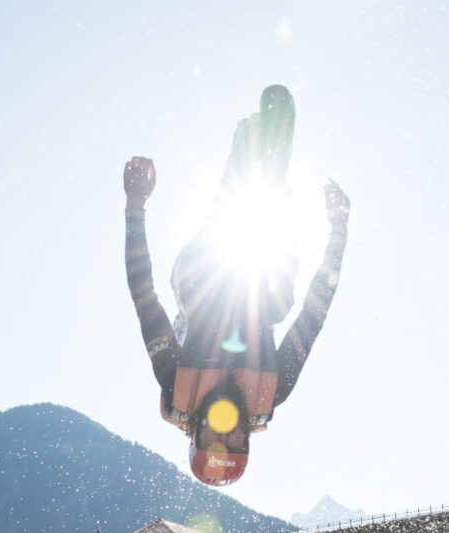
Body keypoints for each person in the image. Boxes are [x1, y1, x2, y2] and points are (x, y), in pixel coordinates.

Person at [123, 86, 350, 486]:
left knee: (221, 245)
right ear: (249, 438)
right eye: (235, 439)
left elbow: (144, 296)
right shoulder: (272, 391)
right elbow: (315, 313)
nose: (225, 426)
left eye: (215, 437)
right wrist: (338, 232)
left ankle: (246, 152)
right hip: (263, 279)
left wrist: (136, 206)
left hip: (205, 273)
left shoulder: (176, 381)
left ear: (194, 432)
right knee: (277, 298)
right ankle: (269, 166)